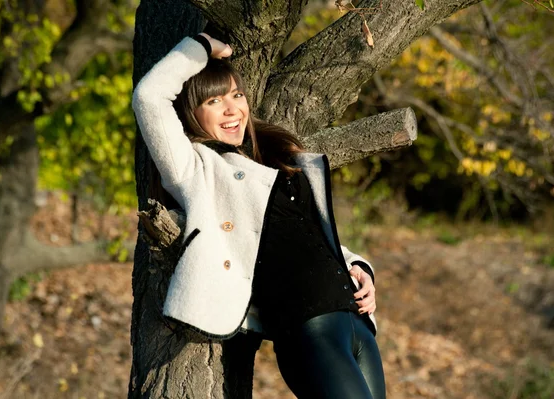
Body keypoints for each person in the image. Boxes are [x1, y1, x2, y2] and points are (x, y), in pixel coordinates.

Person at [132, 32, 386, 399]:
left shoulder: (273, 164)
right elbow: (149, 97)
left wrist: (360, 268)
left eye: (237, 95)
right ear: (191, 113)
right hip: (307, 327)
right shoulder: (196, 169)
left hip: (355, 322)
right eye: (214, 101)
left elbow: (309, 237)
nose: (232, 109)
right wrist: (201, 45)